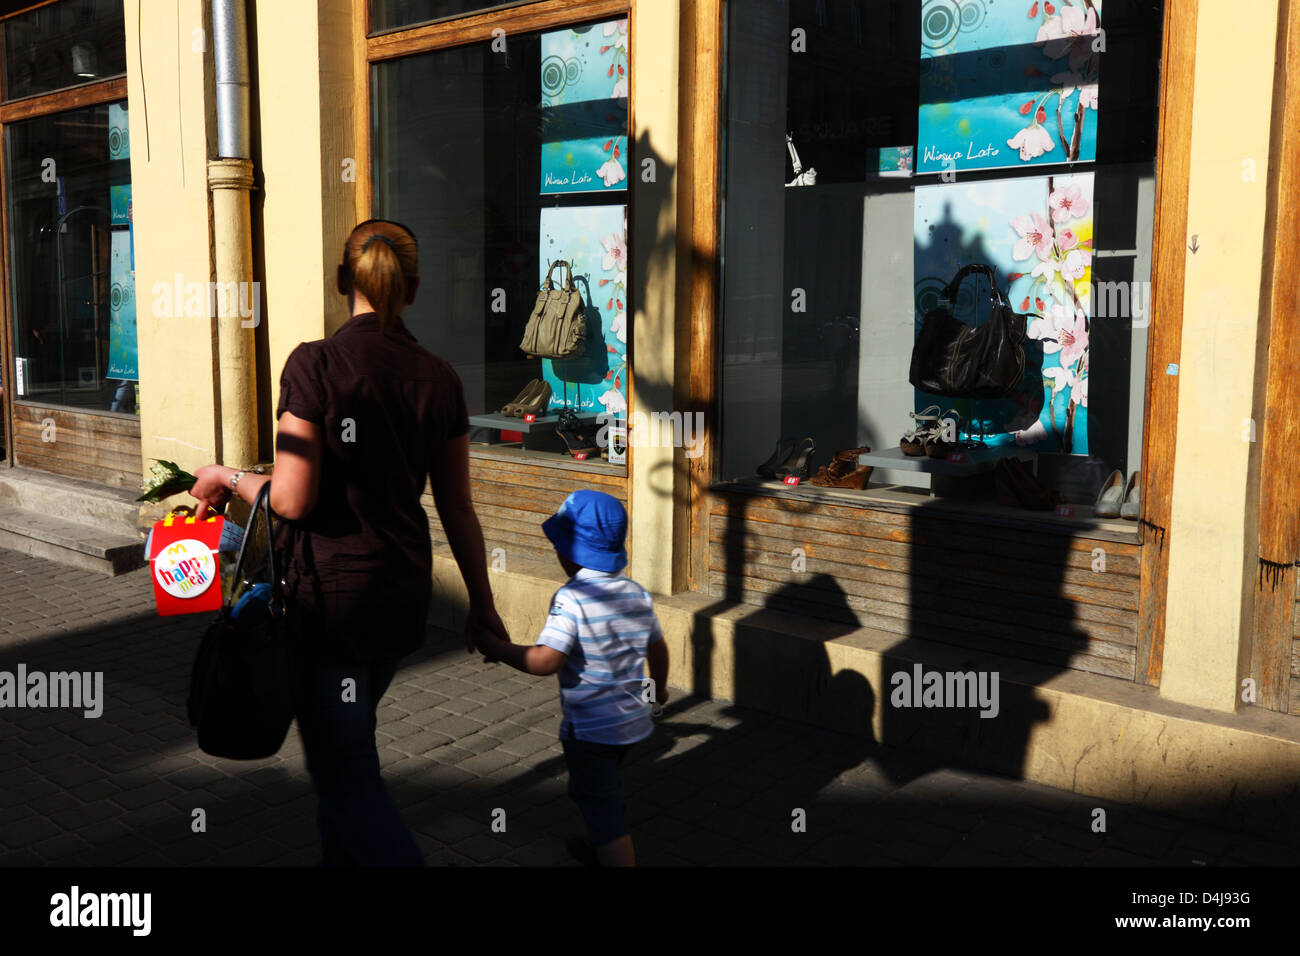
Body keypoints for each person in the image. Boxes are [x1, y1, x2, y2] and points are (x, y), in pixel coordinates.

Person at [188, 219, 510, 866]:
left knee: (346, 774)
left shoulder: (317, 364)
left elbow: (293, 498)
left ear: (343, 282)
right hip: (399, 596)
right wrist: (482, 601)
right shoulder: (440, 379)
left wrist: (225, 477)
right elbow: (457, 507)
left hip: (327, 604)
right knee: (345, 750)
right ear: (412, 290)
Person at [477, 489, 668, 867]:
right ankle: (598, 842)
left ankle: (610, 850)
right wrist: (658, 689)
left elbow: (546, 661)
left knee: (605, 811)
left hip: (591, 730)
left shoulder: (572, 599)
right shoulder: (636, 594)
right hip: (631, 722)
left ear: (569, 552)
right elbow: (657, 648)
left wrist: (498, 648)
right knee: (597, 791)